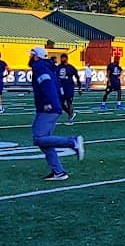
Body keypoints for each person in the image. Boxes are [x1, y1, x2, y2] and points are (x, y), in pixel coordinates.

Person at [28, 46, 84, 180]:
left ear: (36, 56)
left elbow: (47, 84)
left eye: (31, 55)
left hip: (48, 107)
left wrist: (49, 102)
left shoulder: (39, 67)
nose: (29, 58)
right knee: (44, 141)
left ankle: (72, 142)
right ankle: (58, 172)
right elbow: (57, 87)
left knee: (39, 138)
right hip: (52, 105)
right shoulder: (47, 67)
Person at [57, 53, 79, 123]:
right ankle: (70, 113)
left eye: (63, 58)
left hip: (69, 87)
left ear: (66, 59)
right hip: (61, 88)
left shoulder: (70, 67)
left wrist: (79, 87)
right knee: (60, 103)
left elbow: (77, 76)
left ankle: (70, 117)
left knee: (69, 101)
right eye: (61, 58)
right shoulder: (59, 67)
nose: (62, 59)